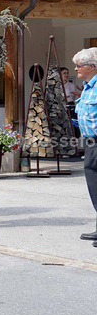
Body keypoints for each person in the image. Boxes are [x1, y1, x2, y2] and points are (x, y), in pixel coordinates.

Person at [71, 48, 97, 246]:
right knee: (94, 187)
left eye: (80, 65)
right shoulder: (87, 87)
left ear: (92, 67)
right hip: (90, 143)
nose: (76, 68)